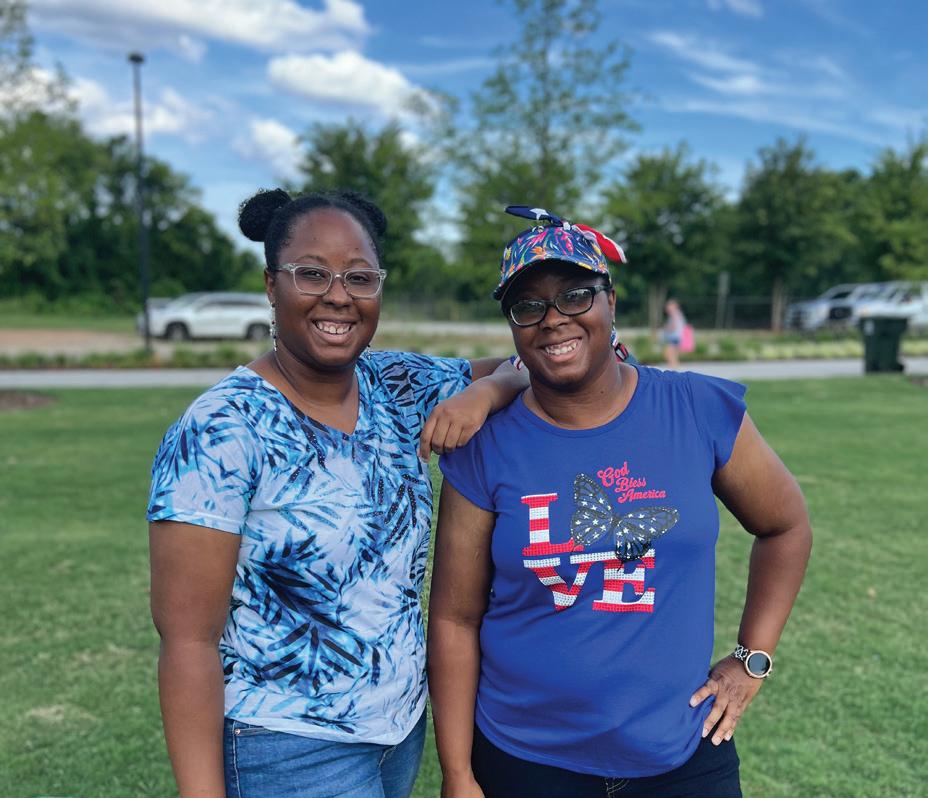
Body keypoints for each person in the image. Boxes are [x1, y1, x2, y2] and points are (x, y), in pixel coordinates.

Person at [147, 188, 528, 798]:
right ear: (271, 286)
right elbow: (188, 643)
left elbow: (533, 360)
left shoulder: (395, 385)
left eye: (359, 277)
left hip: (398, 732)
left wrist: (487, 392)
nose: (338, 296)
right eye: (312, 273)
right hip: (287, 745)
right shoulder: (221, 430)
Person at [428, 206, 812, 798]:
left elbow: (785, 526)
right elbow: (455, 619)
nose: (553, 319)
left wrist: (751, 658)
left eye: (575, 295)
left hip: (682, 756)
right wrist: (457, 773)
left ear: (610, 300)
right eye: (528, 306)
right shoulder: (486, 444)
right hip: (525, 760)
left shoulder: (697, 409)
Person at [662, 298, 686, 369]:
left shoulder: (674, 314)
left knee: (668, 353)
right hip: (678, 336)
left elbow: (673, 326)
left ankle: (672, 367)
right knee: (674, 354)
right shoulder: (679, 313)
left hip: (674, 336)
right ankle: (675, 367)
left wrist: (666, 328)